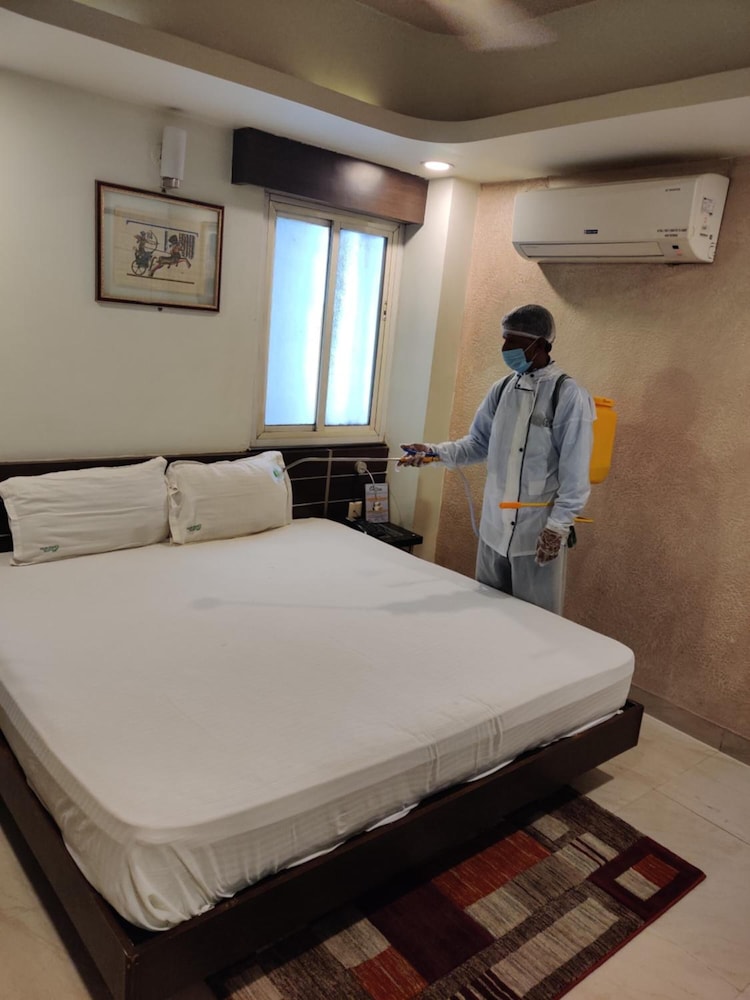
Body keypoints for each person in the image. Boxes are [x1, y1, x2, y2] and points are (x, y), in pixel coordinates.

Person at [400, 304, 594, 615]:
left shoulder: (567, 394)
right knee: (486, 616)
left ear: (540, 344)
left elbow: (575, 472)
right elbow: (478, 443)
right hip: (493, 533)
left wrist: (557, 527)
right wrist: (434, 453)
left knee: (534, 623)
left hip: (535, 539)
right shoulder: (502, 389)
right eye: (504, 339)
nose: (505, 349)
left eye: (514, 342)